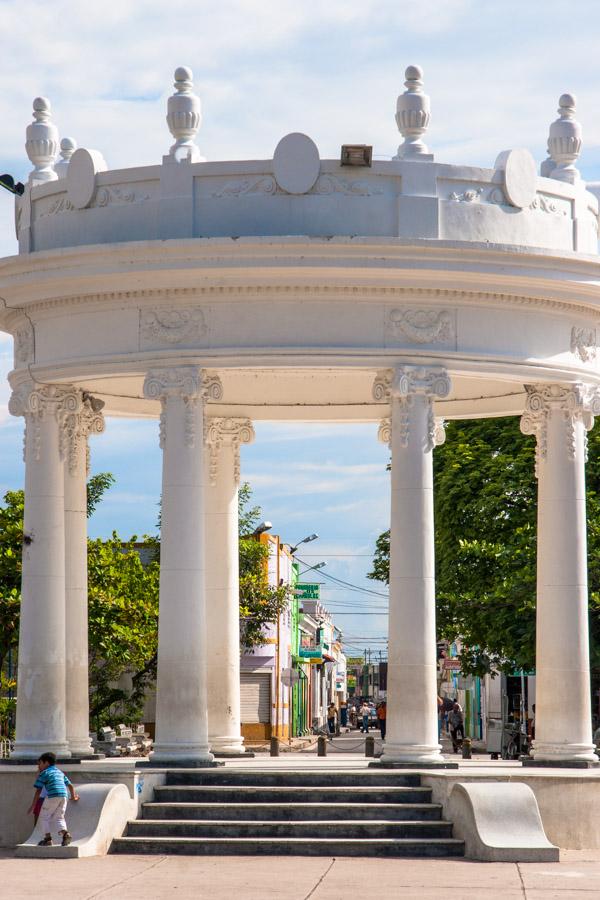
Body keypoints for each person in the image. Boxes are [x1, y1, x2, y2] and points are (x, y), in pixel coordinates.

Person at [28, 752, 79, 846]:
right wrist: (73, 797)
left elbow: (38, 790)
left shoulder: (44, 773)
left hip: (52, 795)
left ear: (46, 762)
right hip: (64, 796)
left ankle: (47, 839)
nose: (39, 766)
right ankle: (65, 834)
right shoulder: (59, 772)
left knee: (43, 817)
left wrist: (33, 805)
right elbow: (70, 785)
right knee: (59, 817)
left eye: (40, 763)